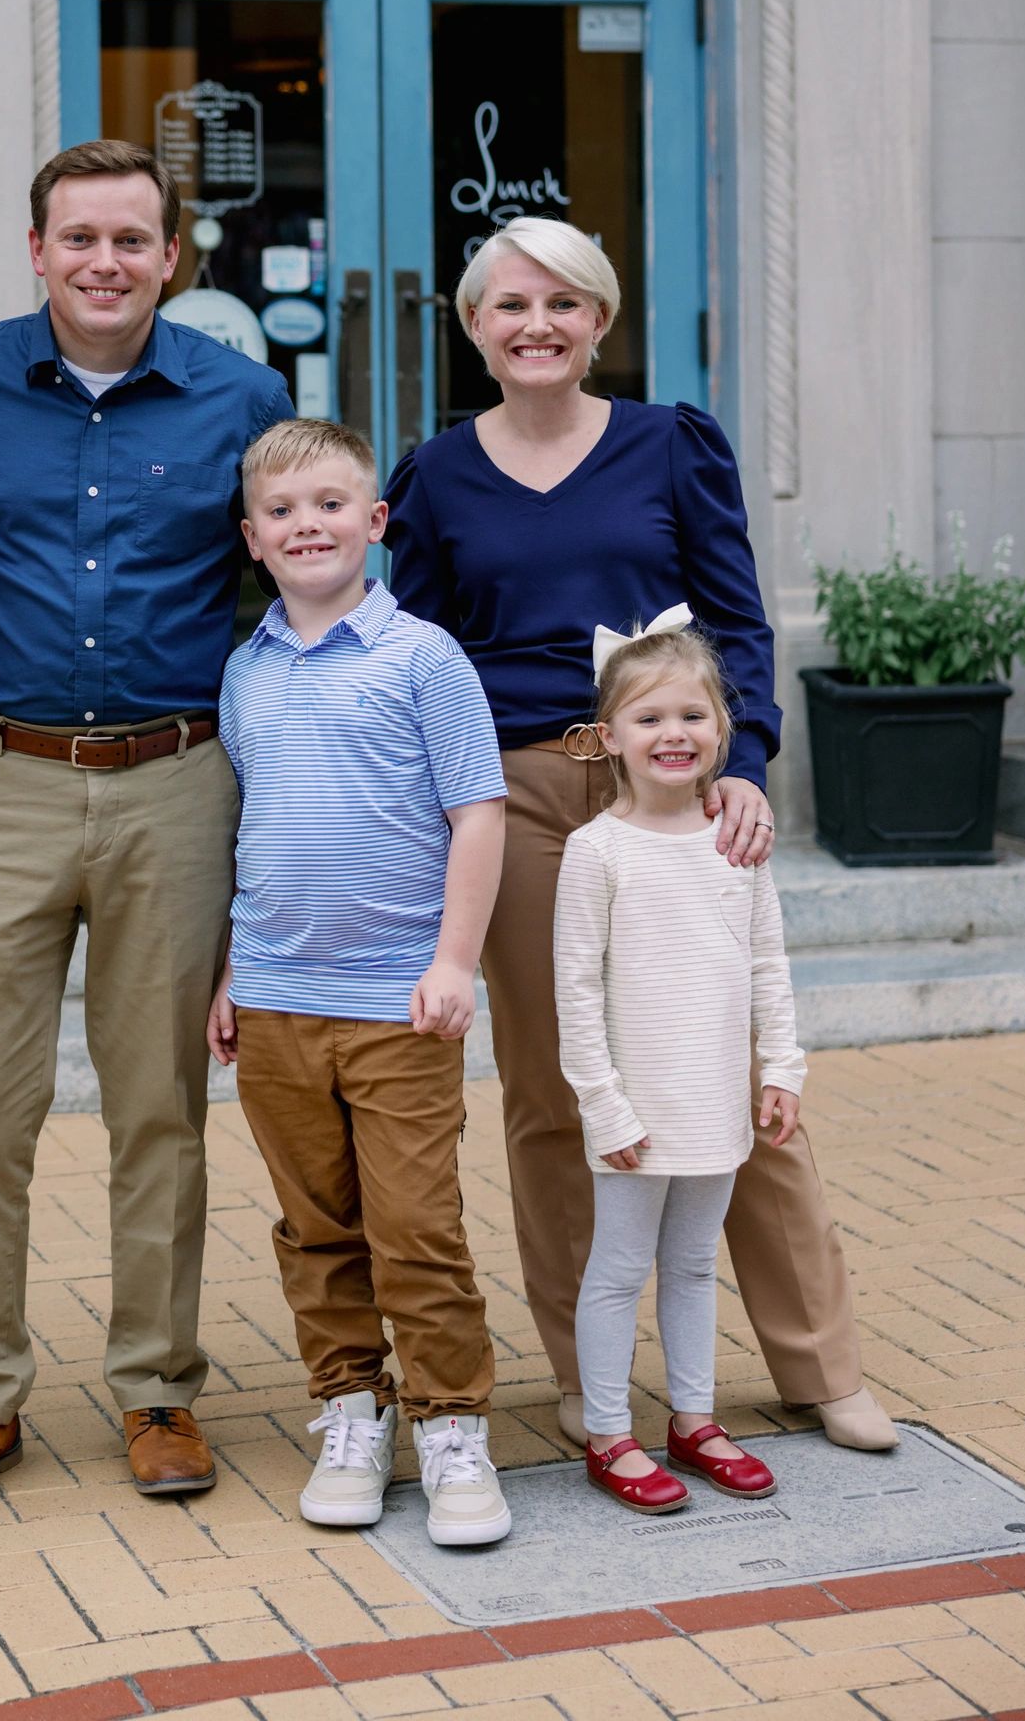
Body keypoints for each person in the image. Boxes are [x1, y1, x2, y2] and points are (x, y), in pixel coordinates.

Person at [384, 216, 895, 1454]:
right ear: (474, 329)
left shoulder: (671, 444)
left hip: (671, 793)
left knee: (726, 1068)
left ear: (601, 320)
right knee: (562, 1093)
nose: (537, 325)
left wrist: (748, 762)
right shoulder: (440, 474)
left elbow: (735, 619)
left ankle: (820, 1363)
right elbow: (420, 659)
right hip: (517, 802)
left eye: (563, 304)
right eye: (510, 307)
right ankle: (591, 1372)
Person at [0, 138, 292, 1516]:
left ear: (172, 257)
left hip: (176, 783)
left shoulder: (241, 398)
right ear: (36, 249)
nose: (105, 263)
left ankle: (157, 1388)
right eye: (79, 239)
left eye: (131, 240)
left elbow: (297, 583)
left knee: (158, 1111)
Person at [209, 419, 511, 1548]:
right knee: (316, 1224)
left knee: (415, 1222)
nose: (308, 527)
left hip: (399, 1000)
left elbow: (477, 811)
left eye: (332, 504)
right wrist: (234, 969)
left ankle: (450, 1421)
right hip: (280, 998)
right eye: (282, 513)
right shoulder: (245, 671)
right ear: (252, 537)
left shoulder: (422, 657)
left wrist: (454, 961)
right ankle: (351, 1405)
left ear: (375, 522)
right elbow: (253, 829)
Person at [557, 619, 805, 1514]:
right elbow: (575, 992)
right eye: (648, 717)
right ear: (607, 737)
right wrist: (604, 1105)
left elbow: (765, 964)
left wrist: (780, 1066)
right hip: (635, 1107)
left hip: (712, 1100)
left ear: (721, 731)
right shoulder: (596, 853)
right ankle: (609, 1433)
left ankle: (692, 1419)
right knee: (620, 1268)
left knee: (696, 1263)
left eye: (693, 715)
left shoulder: (733, 845)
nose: (673, 734)